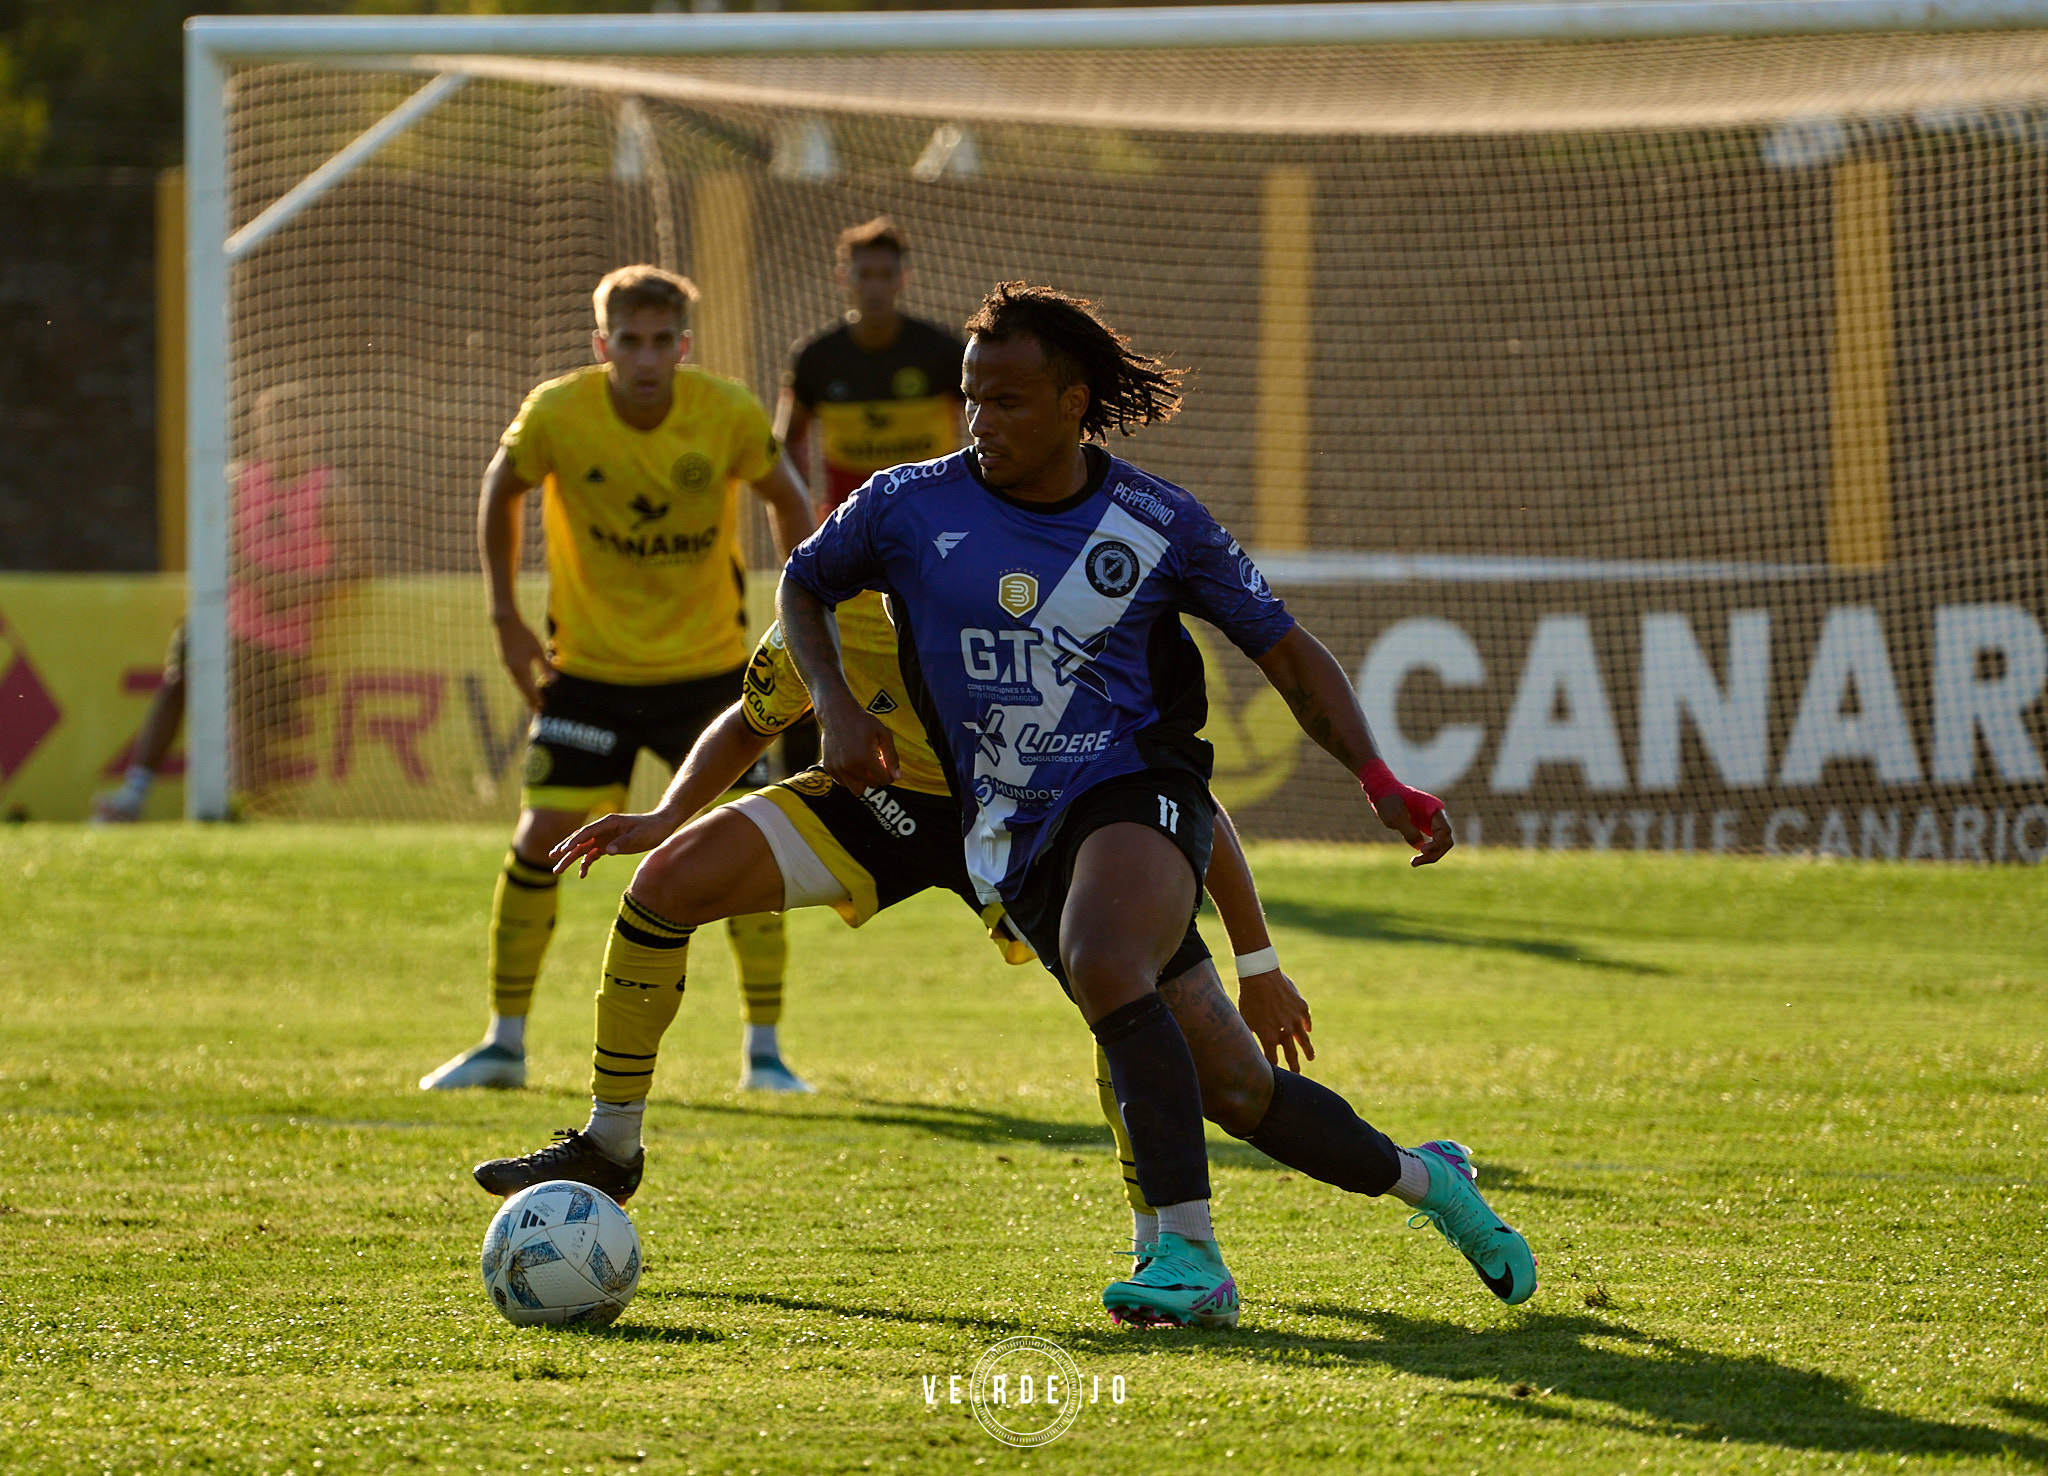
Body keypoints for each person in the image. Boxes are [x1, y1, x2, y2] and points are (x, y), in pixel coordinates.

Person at [778, 282, 1538, 1327]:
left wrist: (1375, 774)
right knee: (1236, 1092)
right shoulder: (907, 505)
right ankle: (1431, 1183)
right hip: (1012, 836)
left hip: (1140, 786)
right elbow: (802, 583)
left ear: (1071, 401)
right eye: (970, 399)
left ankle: (1188, 1260)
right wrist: (831, 702)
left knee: (1102, 957)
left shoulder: (1153, 522)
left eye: (1004, 401)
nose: (978, 423)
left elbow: (1284, 652)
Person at [465, 595, 1317, 1262]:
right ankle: (610, 1147)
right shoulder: (829, 602)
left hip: (1028, 817)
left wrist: (1258, 956)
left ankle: (1163, 1244)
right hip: (878, 798)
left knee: (1132, 993)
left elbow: (1176, 785)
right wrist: (664, 814)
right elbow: (753, 716)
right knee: (666, 883)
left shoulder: (1027, 607)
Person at [419, 265, 816, 1095]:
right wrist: (503, 614)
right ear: (602, 345)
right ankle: (503, 1041)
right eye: (627, 342)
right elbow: (501, 487)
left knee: (748, 847)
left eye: (659, 342)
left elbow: (790, 497)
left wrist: (803, 597)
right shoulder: (559, 412)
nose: (643, 358)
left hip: (709, 672)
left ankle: (767, 1053)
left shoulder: (727, 413)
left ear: (683, 346)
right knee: (538, 838)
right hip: (588, 673)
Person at [94, 383, 364, 822]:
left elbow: (361, 561)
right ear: (261, 434)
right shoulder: (238, 482)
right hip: (223, 619)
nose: (286, 438)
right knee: (177, 684)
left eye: (296, 428)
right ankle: (133, 794)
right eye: (275, 428)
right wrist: (254, 575)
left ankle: (245, 813)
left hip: (279, 635)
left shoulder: (329, 491)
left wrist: (300, 588)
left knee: (251, 734)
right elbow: (212, 544)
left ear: (314, 434)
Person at [778, 217, 967, 521]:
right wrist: (803, 502)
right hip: (851, 527)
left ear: (903, 278)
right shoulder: (816, 357)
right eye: (864, 274)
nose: (875, 287)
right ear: (843, 278)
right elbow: (787, 439)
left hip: (937, 524)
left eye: (885, 275)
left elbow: (989, 419)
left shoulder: (942, 350)